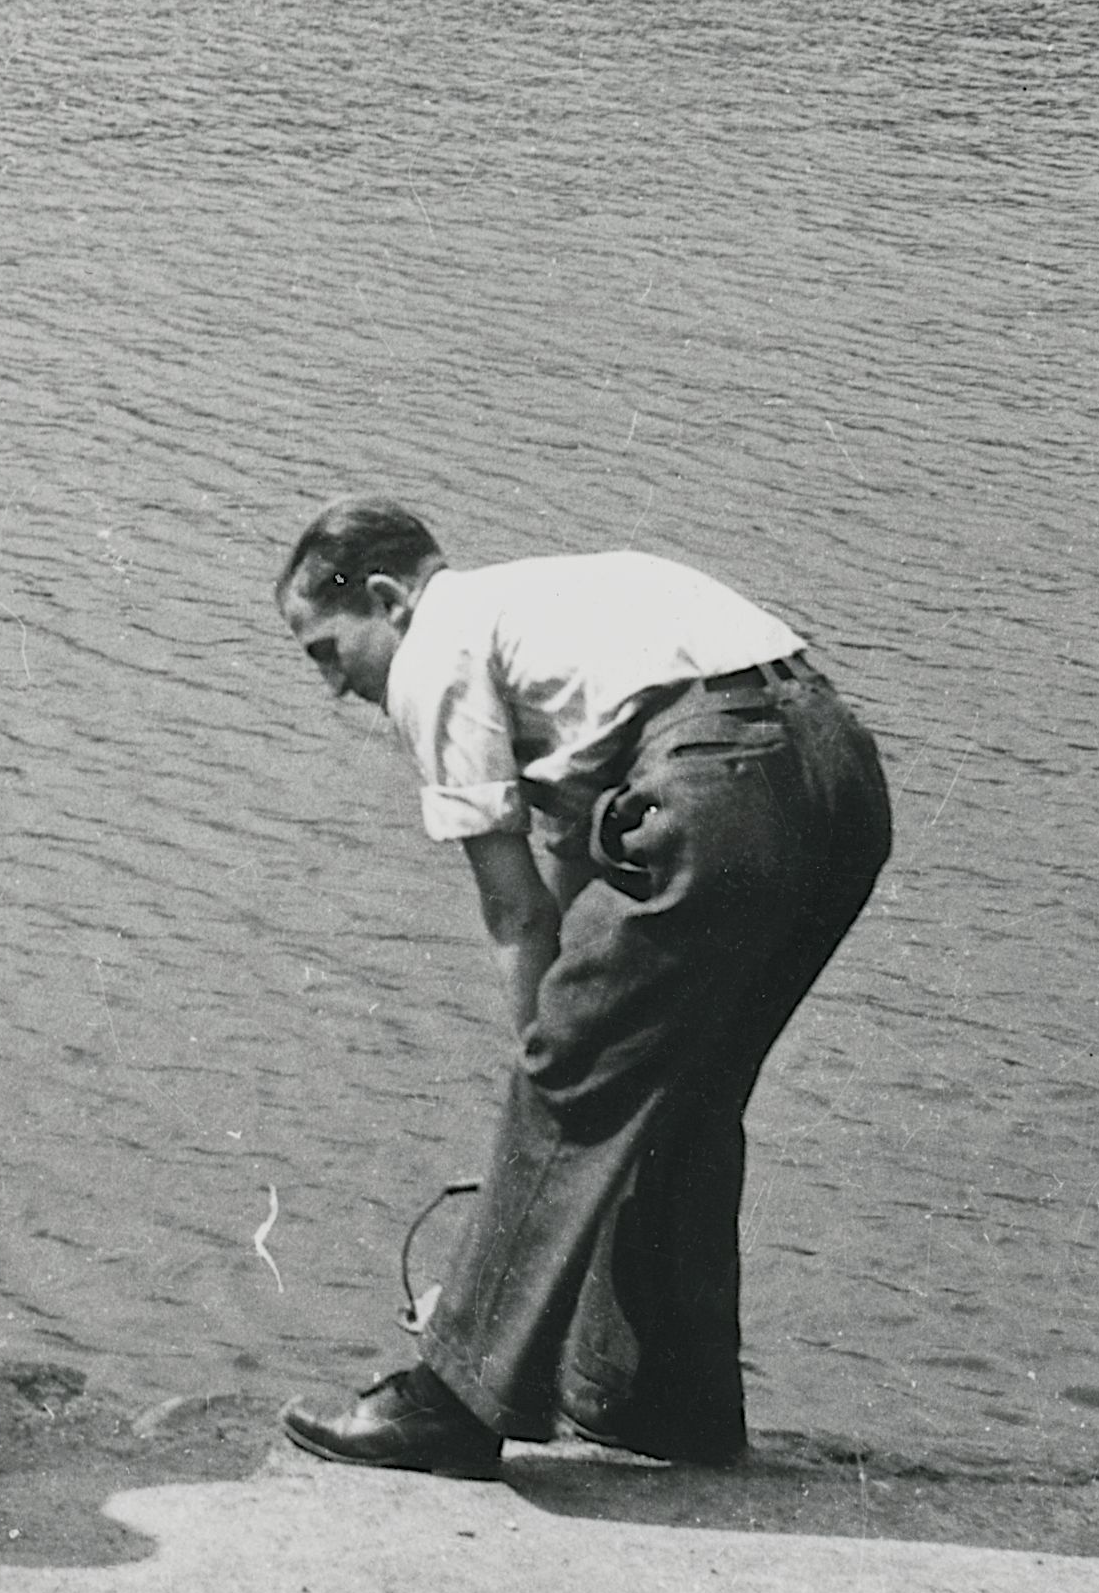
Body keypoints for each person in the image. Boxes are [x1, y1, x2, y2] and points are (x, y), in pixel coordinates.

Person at [271, 500, 891, 1477]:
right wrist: (569, 1063)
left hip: (720, 778)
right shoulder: (541, 612)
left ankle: (452, 1404)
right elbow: (566, 864)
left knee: (580, 1073)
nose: (334, 688)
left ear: (389, 601)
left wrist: (551, 1076)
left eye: (327, 652)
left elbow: (517, 913)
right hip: (838, 774)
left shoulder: (437, 650)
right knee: (685, 1098)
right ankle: (663, 1406)